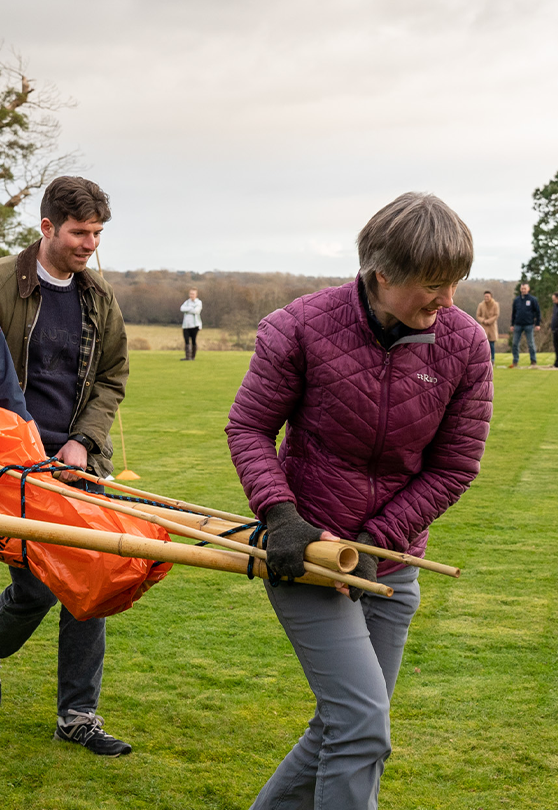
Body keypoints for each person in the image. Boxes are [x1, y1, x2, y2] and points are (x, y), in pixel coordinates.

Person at [226, 192, 492, 810]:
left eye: (454, 283)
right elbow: (248, 428)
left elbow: (455, 466)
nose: (447, 301)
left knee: (342, 725)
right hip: (309, 557)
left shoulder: (465, 344)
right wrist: (282, 516)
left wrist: (379, 539)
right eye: (432, 284)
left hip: (394, 564)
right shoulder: (299, 326)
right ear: (383, 276)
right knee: (362, 726)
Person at [0, 176, 134, 756]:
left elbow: (113, 374)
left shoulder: (98, 295)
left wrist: (84, 440)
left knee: (93, 577)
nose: (89, 244)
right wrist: (14, 439)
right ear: (46, 228)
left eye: (97, 233)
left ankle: (77, 715)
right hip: (8, 461)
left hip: (78, 463)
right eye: (79, 232)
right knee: (36, 590)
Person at [509, 281, 541, 368]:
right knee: (515, 343)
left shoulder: (532, 300)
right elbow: (514, 313)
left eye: (525, 288)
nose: (523, 290)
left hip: (529, 325)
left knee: (531, 343)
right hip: (518, 325)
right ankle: (515, 361)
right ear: (520, 289)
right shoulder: (517, 300)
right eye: (522, 288)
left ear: (528, 289)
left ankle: (533, 360)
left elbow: (538, 312)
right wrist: (512, 324)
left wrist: (537, 324)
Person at [475, 290, 499, 363]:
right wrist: (483, 320)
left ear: (491, 297)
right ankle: (484, 359)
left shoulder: (495, 304)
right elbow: (478, 315)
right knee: (483, 344)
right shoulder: (481, 305)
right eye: (485, 296)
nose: (486, 298)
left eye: (488, 296)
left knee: (491, 344)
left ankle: (493, 359)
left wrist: (489, 321)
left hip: (492, 327)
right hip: (483, 326)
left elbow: (496, 315)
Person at [180, 287, 203, 361]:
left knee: (193, 340)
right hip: (186, 325)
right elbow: (182, 308)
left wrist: (188, 309)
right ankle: (187, 356)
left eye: (193, 294)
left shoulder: (198, 302)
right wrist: (190, 308)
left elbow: (196, 311)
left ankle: (192, 357)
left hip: (194, 325)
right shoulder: (187, 302)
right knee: (186, 340)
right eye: (190, 294)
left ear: (196, 295)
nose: (191, 295)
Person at [551, 292, 558, 368]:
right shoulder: (555, 306)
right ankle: (557, 362)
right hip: (555, 330)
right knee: (556, 347)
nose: (553, 301)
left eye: (554, 299)